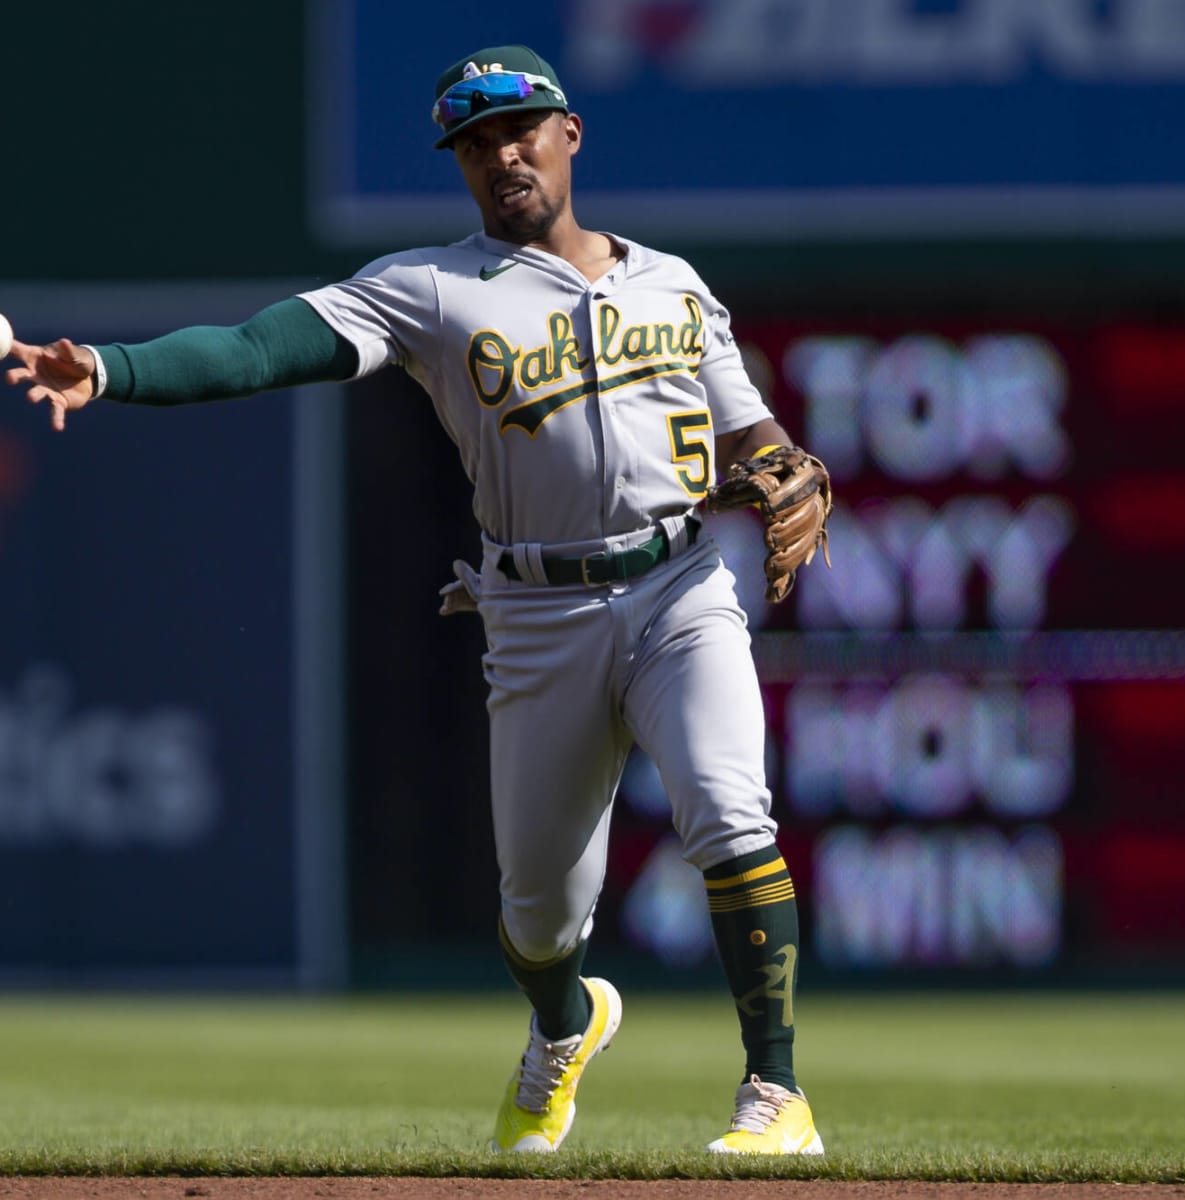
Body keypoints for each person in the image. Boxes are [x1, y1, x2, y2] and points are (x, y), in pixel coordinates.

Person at [3, 44, 825, 1156]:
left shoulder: (673, 284)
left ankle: (776, 1093)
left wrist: (787, 467)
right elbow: (258, 348)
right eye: (475, 142)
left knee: (732, 812)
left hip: (682, 588)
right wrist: (109, 369)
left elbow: (756, 432)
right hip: (536, 616)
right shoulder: (431, 288)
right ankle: (564, 1026)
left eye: (519, 129)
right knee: (540, 916)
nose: (501, 155)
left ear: (569, 134)